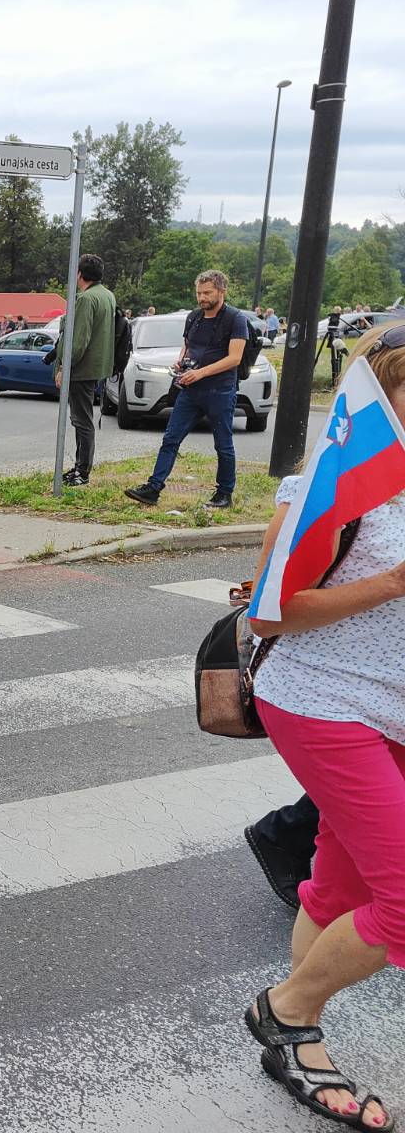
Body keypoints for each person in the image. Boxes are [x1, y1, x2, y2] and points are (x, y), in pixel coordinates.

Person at [241, 325, 405, 1132]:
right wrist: (396, 581)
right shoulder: (335, 483)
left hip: (397, 711)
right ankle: (288, 1012)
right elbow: (270, 613)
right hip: (324, 699)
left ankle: (296, 1037)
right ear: (384, 396)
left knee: (343, 886)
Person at [124, 270, 246, 510]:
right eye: (199, 293)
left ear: (222, 291)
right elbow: (188, 347)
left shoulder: (235, 319)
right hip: (190, 388)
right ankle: (153, 487)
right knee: (171, 438)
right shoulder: (194, 317)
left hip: (220, 390)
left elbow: (235, 358)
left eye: (207, 293)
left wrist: (201, 372)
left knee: (223, 443)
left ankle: (224, 493)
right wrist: (181, 362)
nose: (202, 298)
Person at [55, 254, 116, 488]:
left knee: (81, 420)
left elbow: (78, 341)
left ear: (79, 274)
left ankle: (82, 471)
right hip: (98, 366)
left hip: (82, 369)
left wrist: (64, 367)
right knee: (84, 419)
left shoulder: (86, 299)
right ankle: (81, 467)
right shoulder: (107, 295)